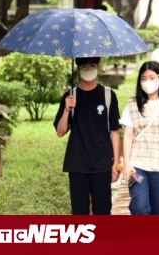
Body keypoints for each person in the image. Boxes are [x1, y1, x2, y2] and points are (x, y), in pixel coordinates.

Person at [53, 57, 120, 215]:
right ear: (78, 70)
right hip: (77, 164)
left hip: (102, 163)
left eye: (92, 65)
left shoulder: (109, 96)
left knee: (103, 211)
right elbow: (60, 132)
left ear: (98, 67)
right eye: (84, 66)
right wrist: (66, 110)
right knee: (79, 211)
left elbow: (115, 132)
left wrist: (116, 164)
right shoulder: (70, 96)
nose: (88, 69)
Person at [120, 61, 159, 215]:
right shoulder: (132, 104)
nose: (147, 82)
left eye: (152, 77)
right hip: (138, 167)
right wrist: (126, 164)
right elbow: (128, 135)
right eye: (143, 78)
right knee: (140, 206)